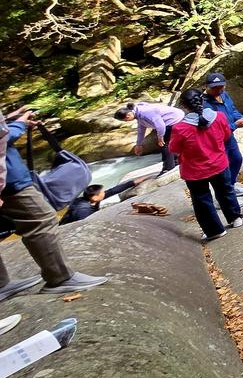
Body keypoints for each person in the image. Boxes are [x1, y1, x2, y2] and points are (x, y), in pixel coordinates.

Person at [0, 111, 108, 301]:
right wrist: (18, 124)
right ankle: (60, 278)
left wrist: (12, 119)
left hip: (9, 178)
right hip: (10, 181)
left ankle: (1, 284)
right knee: (41, 219)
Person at [170, 90, 243, 241]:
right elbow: (226, 135)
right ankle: (235, 218)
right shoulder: (219, 117)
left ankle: (214, 230)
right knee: (226, 191)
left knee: (202, 200)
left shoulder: (180, 128)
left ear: (183, 106)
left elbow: (174, 149)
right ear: (202, 101)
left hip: (195, 171)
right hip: (219, 164)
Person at [202, 72, 243, 196]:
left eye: (221, 86)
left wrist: (241, 118)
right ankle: (224, 196)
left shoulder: (224, 95)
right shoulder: (204, 104)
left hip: (229, 136)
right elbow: (212, 128)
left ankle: (231, 186)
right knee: (222, 167)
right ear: (206, 87)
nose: (219, 90)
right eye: (215, 88)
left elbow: (232, 110)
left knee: (236, 159)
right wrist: (235, 125)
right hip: (216, 141)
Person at [114, 101, 184, 172]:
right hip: (172, 119)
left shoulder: (144, 113)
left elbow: (160, 125)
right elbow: (141, 130)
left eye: (125, 120)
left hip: (175, 119)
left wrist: (160, 137)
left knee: (164, 144)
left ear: (128, 115)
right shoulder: (137, 113)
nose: (126, 121)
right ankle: (174, 161)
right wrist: (138, 144)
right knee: (166, 143)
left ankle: (168, 167)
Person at [60, 180, 140, 225]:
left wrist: (133, 183)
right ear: (94, 197)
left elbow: (112, 191)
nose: (104, 193)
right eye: (102, 192)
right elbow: (84, 225)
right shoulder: (84, 211)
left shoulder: (90, 199)